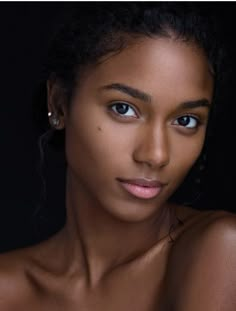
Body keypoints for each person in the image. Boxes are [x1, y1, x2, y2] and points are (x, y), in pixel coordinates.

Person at [0, 3, 235, 310]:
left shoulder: (220, 249)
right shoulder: (8, 289)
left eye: (186, 120)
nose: (156, 155)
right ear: (58, 104)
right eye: (124, 109)